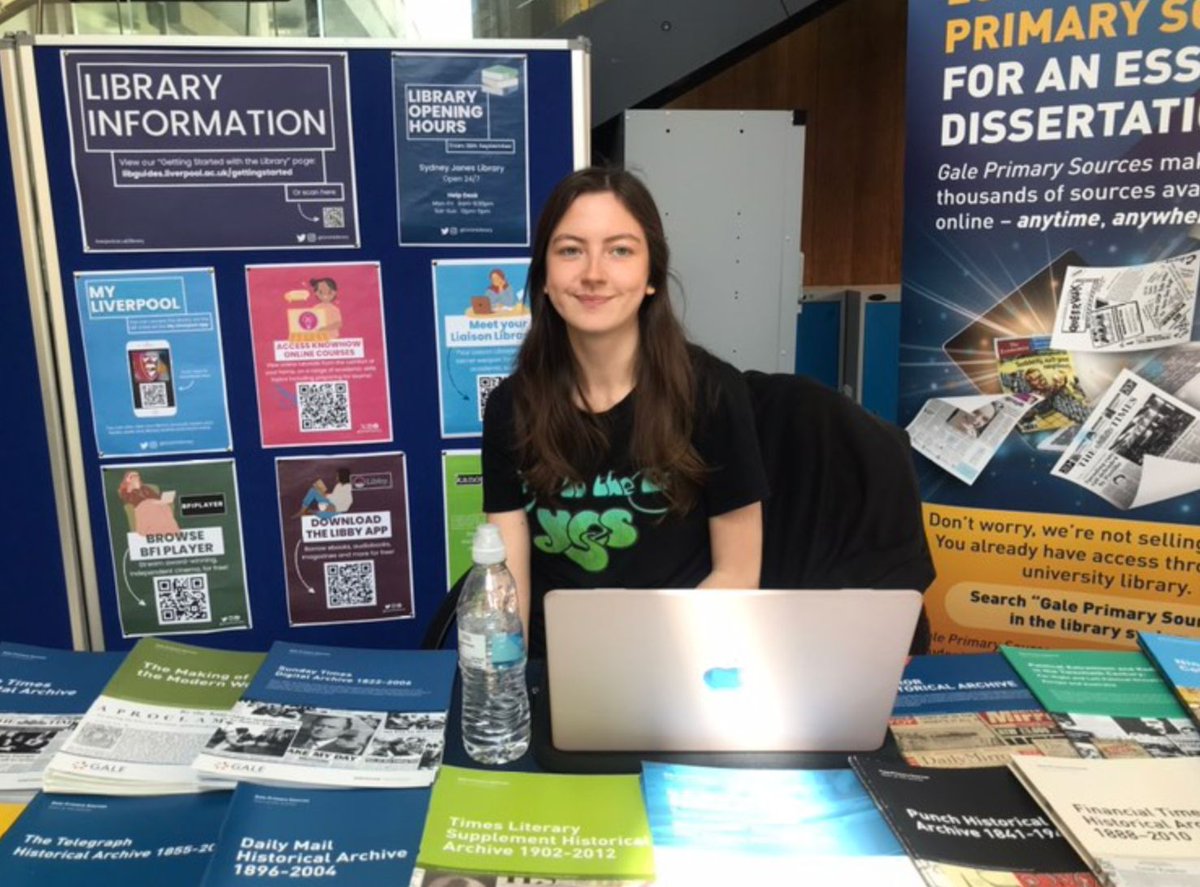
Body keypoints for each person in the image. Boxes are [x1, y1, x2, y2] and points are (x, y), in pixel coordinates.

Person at [482, 167, 768, 657]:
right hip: (560, 669)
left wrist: (648, 665)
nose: (593, 273)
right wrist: (511, 693)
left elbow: (737, 572)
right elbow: (510, 588)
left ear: (651, 275)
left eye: (620, 250)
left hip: (680, 657)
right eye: (571, 250)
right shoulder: (511, 406)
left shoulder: (713, 392)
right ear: (545, 278)